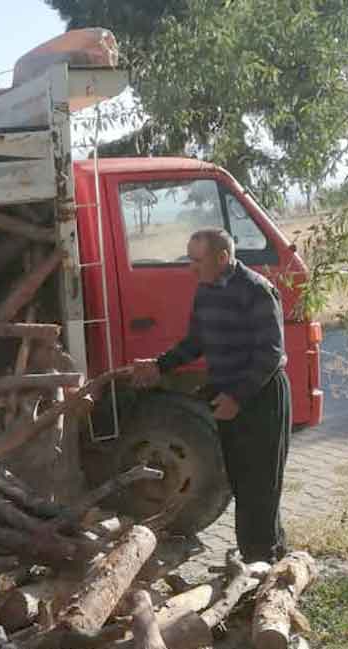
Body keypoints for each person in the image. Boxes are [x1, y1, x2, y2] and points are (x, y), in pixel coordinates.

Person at [133, 228, 291, 563]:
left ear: (222, 258)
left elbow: (270, 356)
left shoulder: (257, 291)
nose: (191, 267)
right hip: (229, 399)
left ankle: (260, 565)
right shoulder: (206, 291)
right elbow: (196, 342)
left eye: (197, 260)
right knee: (243, 484)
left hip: (261, 398)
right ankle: (265, 557)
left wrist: (236, 397)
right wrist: (159, 366)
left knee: (261, 486)